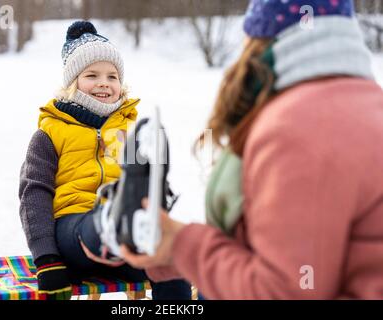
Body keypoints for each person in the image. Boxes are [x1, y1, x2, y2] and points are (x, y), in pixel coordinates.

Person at [120, 0, 383, 299]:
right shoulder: (367, 103)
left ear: (260, 36)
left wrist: (183, 244)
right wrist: (175, 252)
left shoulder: (298, 127)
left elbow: (284, 291)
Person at [19, 20, 191, 300]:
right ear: (72, 82)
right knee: (102, 221)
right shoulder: (50, 133)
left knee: (171, 262)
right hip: (72, 231)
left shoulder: (129, 132)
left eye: (112, 76)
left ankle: (131, 227)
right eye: (92, 75)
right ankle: (114, 223)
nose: (104, 83)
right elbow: (33, 195)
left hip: (129, 245)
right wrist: (46, 258)